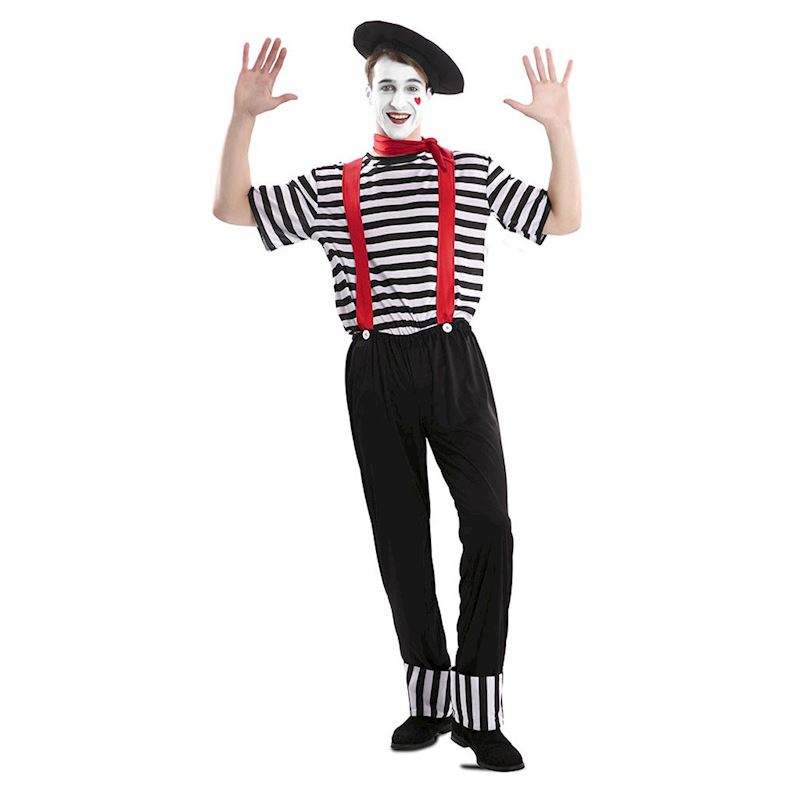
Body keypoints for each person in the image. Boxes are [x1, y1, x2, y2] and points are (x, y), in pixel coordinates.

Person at [213, 20, 581, 772]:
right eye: (387, 85)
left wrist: (558, 129)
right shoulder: (334, 184)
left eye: (414, 87)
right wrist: (243, 116)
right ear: (368, 92)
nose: (400, 98)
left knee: (489, 524)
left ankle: (479, 707)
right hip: (374, 366)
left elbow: (563, 219)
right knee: (400, 535)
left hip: (453, 359)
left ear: (428, 97)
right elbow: (233, 208)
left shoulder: (470, 172)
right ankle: (430, 699)